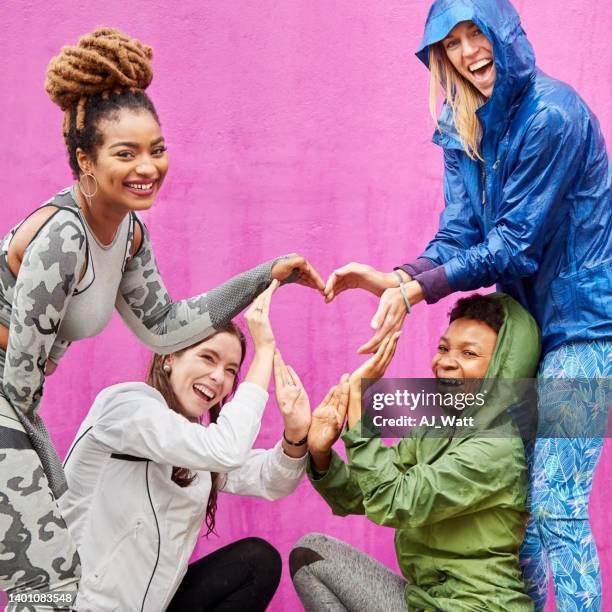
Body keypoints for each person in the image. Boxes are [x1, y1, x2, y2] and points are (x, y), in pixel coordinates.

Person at [0, 28, 324, 605]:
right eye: (125, 153)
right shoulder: (63, 238)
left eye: (156, 148)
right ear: (86, 160)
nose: (148, 166)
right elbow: (18, 394)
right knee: (44, 577)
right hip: (9, 394)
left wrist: (265, 274)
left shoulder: (127, 233)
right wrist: (56, 501)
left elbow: (166, 323)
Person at [323, 1, 611, 608]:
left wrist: (416, 291)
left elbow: (513, 245)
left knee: (556, 507)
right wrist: (399, 277)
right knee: (524, 521)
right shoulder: (463, 123)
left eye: (475, 32)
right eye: (449, 42)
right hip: (525, 331)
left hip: (588, 329)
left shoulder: (552, 116)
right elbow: (458, 234)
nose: (466, 50)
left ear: (503, 34)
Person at [59, 283, 310, 611]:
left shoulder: (196, 446)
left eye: (231, 371)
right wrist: (263, 354)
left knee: (256, 562)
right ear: (169, 357)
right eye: (208, 358)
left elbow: (271, 480)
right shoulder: (125, 406)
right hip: (78, 606)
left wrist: (296, 434)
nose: (219, 377)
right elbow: (227, 450)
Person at [290, 293, 540, 611]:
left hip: (478, 607)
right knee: (312, 555)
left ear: (500, 372)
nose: (447, 361)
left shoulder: (497, 448)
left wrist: (359, 418)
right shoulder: (433, 429)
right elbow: (365, 491)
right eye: (443, 348)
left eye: (469, 353)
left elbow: (397, 501)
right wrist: (321, 452)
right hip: (425, 602)